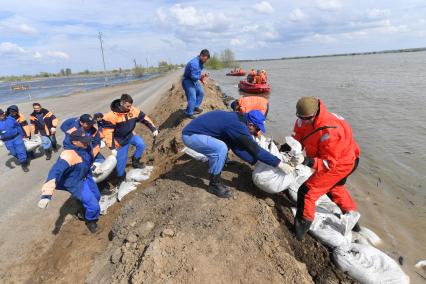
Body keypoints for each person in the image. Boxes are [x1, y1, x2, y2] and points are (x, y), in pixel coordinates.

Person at [291, 97, 361, 240]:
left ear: (316, 113)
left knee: (306, 192)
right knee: (334, 188)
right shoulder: (304, 118)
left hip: (342, 163)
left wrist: (306, 160)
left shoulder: (331, 132)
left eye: (307, 118)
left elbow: (328, 163)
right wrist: (291, 147)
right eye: (300, 117)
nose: (303, 121)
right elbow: (299, 134)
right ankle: (354, 222)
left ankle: (300, 229)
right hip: (339, 159)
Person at [182, 110, 294, 198]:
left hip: (199, 132)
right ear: (251, 124)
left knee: (227, 142)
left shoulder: (240, 118)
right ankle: (214, 185)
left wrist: (254, 162)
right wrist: (279, 163)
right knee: (220, 149)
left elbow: (237, 147)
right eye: (257, 129)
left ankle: (222, 161)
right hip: (191, 136)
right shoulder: (238, 127)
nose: (256, 132)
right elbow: (256, 150)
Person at [37, 130, 101, 233]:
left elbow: (86, 161)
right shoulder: (68, 155)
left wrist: (93, 167)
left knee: (97, 196)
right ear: (74, 142)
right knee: (93, 205)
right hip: (74, 182)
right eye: (83, 141)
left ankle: (83, 209)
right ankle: (90, 221)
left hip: (85, 175)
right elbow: (54, 173)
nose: (87, 143)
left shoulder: (86, 147)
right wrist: (46, 195)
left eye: (87, 140)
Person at [102, 94, 158, 182]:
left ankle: (135, 161)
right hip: (119, 141)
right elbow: (108, 133)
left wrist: (153, 128)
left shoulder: (132, 110)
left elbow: (144, 118)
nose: (130, 107)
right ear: (122, 103)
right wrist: (112, 147)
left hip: (130, 135)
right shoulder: (111, 116)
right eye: (128, 106)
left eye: (131, 105)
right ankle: (120, 178)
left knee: (141, 144)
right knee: (121, 163)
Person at [182, 49, 210, 119]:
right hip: (187, 80)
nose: (206, 61)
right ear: (201, 56)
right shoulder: (194, 63)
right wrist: (203, 76)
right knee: (192, 96)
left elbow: (197, 74)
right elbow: (194, 77)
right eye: (205, 59)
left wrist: (202, 79)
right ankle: (189, 113)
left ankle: (195, 106)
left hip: (193, 79)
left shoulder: (200, 63)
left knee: (201, 93)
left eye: (206, 60)